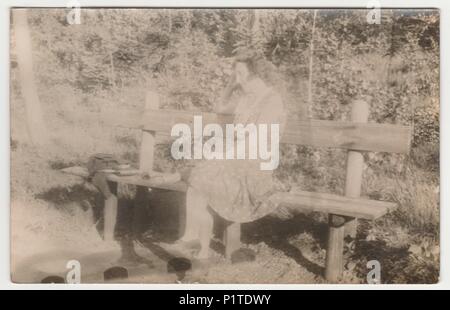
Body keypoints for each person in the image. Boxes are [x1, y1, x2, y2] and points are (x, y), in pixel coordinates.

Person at [178, 49, 288, 259]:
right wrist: (230, 85)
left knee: (201, 178)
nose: (236, 78)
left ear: (255, 75)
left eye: (239, 73)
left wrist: (223, 156)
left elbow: (255, 141)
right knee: (199, 181)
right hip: (236, 159)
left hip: (256, 164)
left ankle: (194, 241)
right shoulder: (246, 98)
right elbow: (219, 106)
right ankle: (197, 245)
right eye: (234, 73)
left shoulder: (271, 101)